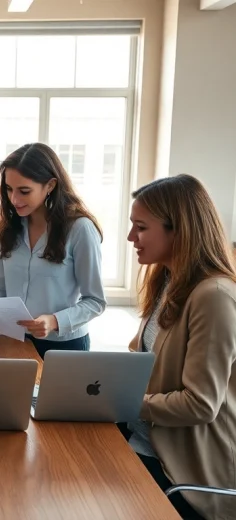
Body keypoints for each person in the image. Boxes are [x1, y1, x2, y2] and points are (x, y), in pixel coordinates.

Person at [123, 174, 236, 520]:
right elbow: (142, 361)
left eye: (141, 227)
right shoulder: (167, 280)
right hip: (143, 440)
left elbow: (200, 405)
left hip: (182, 467)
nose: (131, 238)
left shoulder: (214, 296)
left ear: (179, 231)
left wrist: (121, 401)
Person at [0, 143, 106, 358]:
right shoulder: (6, 228)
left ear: (50, 185)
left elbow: (96, 301)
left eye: (24, 191)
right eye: (9, 189)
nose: (14, 199)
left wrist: (55, 321)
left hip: (65, 347)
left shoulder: (80, 229)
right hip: (14, 341)